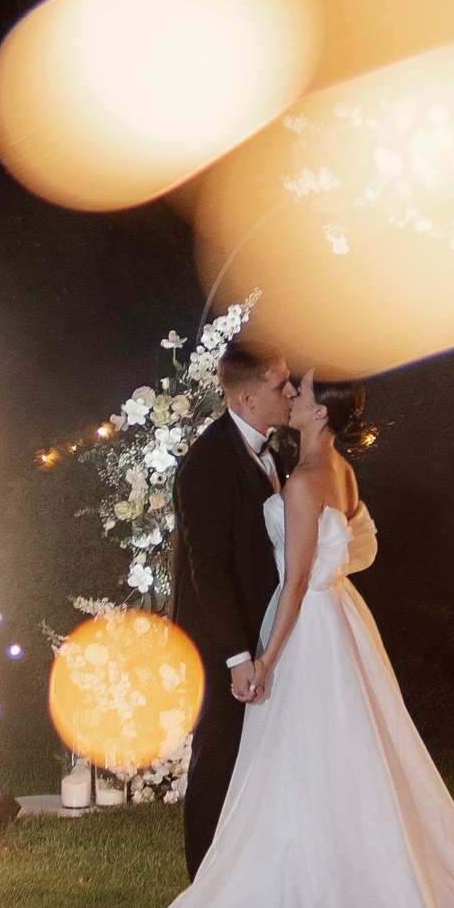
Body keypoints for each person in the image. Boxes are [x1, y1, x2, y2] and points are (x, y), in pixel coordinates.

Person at [139, 378, 454, 908]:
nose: (290, 395)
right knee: (334, 760)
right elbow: (354, 549)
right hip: (339, 619)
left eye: (299, 391)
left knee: (296, 761)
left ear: (318, 411)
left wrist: (266, 660)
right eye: (285, 387)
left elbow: (300, 579)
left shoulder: (306, 479)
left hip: (305, 628)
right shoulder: (336, 470)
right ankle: (320, 890)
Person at [167, 340, 293, 879]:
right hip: (220, 640)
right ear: (245, 396)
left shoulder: (273, 451)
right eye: (279, 385)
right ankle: (203, 889)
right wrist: (238, 656)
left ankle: (250, 877)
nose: (290, 392)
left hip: (262, 633)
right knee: (217, 760)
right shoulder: (207, 464)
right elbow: (209, 572)